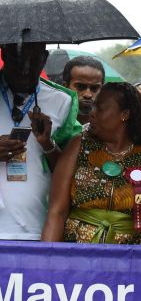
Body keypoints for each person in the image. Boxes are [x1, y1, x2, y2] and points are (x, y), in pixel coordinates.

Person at [41, 82, 141, 244]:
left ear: (124, 114)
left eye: (100, 108)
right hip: (78, 256)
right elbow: (57, 212)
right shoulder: (78, 144)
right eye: (93, 107)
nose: (92, 113)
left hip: (133, 259)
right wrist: (48, 258)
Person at [0, 42, 81, 240]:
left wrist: (47, 145)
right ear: (5, 54)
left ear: (44, 58)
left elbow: (74, 172)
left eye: (33, 60)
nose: (25, 69)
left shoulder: (63, 100)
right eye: (19, 60)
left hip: (39, 230)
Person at [62, 56, 105, 125]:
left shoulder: (111, 127)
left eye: (94, 88)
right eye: (80, 87)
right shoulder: (52, 122)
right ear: (65, 87)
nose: (88, 95)